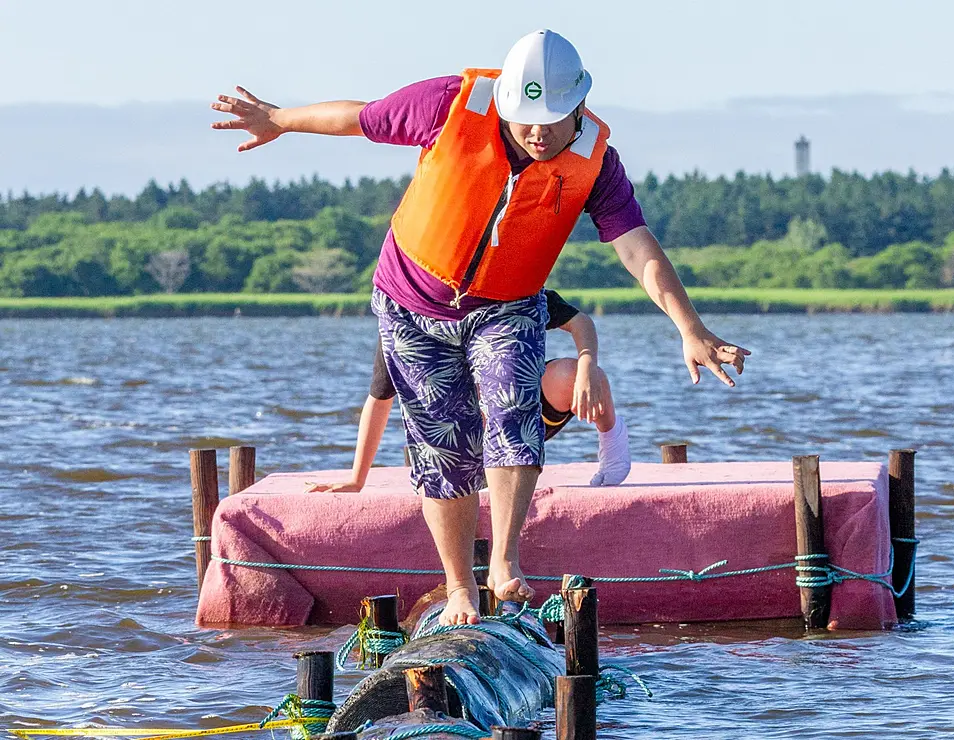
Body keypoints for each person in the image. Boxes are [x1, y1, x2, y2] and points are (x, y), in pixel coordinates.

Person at [211, 29, 749, 626]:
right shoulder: (451, 103)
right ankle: (460, 586)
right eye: (525, 120)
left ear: (579, 108)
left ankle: (506, 562)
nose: (537, 133)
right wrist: (279, 118)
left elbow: (636, 247)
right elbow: (358, 118)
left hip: (507, 304)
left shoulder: (597, 162)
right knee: (442, 445)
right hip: (411, 302)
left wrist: (689, 326)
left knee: (513, 410)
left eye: (552, 121)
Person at [307, 290, 631, 493]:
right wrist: (356, 479)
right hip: (452, 436)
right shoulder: (406, 321)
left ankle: (613, 444)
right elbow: (379, 399)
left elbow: (581, 322)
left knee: (579, 374)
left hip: (517, 416)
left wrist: (588, 367)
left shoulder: (508, 289)